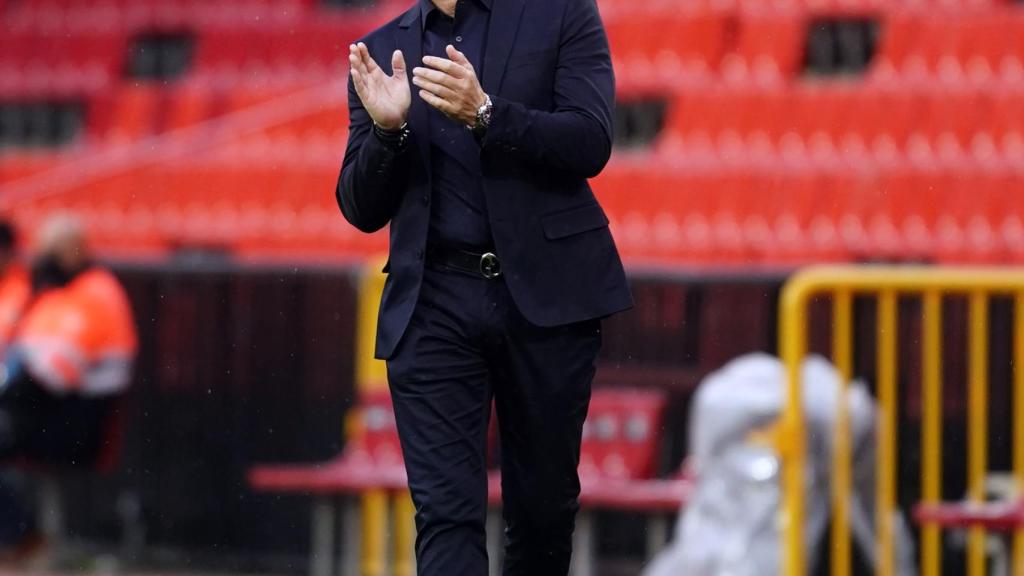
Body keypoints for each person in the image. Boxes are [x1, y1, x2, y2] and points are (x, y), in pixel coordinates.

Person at [336, 0, 632, 573]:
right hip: (433, 304)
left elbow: (590, 140)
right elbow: (359, 207)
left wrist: (488, 115)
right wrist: (388, 132)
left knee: (542, 513)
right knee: (445, 517)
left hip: (548, 300)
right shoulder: (380, 49)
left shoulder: (562, 12)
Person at [0, 215, 138, 557]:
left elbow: (51, 376)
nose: (43, 259)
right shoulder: (55, 292)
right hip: (47, 413)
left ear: (76, 251)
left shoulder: (95, 293)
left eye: (52, 252)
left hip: (78, 423)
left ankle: (21, 535)